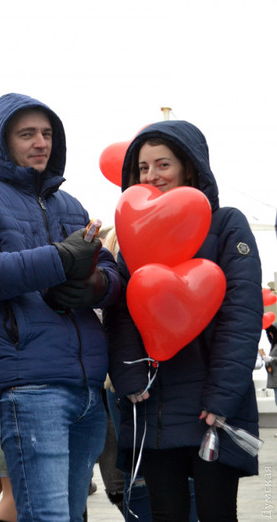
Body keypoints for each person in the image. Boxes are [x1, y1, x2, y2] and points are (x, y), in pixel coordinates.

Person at [0, 93, 121, 522]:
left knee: (69, 516)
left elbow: (112, 272)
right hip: (29, 385)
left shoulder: (70, 204)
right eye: (27, 134)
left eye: (47, 133)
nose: (41, 142)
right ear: (1, 141)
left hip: (87, 387)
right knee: (47, 516)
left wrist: (96, 286)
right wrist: (59, 259)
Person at [105, 120, 262, 521]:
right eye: (143, 168)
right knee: (166, 513)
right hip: (154, 407)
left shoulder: (225, 225)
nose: (151, 176)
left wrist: (222, 396)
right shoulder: (133, 235)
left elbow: (241, 317)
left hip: (212, 410)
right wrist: (129, 377)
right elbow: (122, 313)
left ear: (189, 168)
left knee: (216, 512)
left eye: (163, 164)